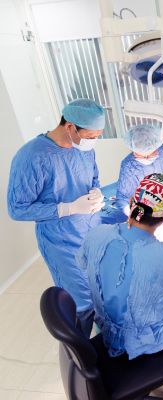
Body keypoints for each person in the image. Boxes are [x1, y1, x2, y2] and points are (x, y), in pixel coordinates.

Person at [77, 173, 163, 385]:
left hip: (106, 323)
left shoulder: (97, 234)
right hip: (143, 338)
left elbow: (84, 264)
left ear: (131, 204)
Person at [7, 98, 105, 337]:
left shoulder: (84, 150)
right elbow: (17, 208)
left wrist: (97, 191)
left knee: (100, 290)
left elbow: (92, 178)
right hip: (62, 243)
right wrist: (67, 208)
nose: (94, 141)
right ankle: (80, 355)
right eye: (91, 136)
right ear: (70, 126)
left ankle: (103, 337)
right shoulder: (32, 156)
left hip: (91, 232)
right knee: (81, 302)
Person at [116, 124, 163, 234]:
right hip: (147, 217)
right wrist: (136, 218)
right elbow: (123, 197)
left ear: (157, 145)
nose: (146, 158)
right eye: (141, 156)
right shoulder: (128, 165)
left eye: (151, 153)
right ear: (132, 149)